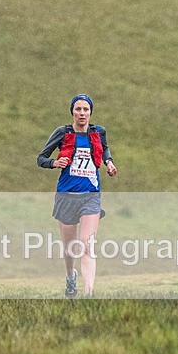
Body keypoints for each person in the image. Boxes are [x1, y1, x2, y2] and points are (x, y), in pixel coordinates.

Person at [37, 94, 117, 298]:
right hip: (67, 196)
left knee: (87, 245)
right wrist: (55, 163)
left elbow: (105, 148)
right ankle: (70, 276)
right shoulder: (62, 133)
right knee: (70, 249)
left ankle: (89, 293)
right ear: (72, 112)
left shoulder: (98, 132)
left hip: (91, 196)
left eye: (86, 110)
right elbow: (41, 158)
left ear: (91, 112)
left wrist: (109, 162)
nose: (82, 113)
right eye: (78, 109)